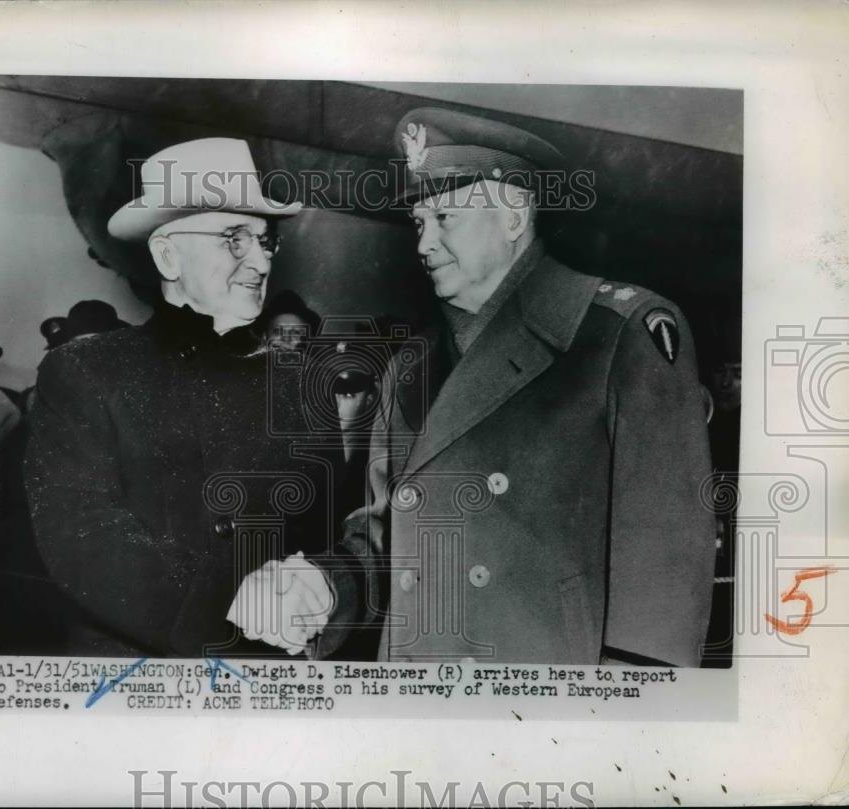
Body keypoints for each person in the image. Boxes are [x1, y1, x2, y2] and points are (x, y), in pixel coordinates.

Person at [234, 107, 717, 666]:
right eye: (418, 222)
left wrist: (615, 730)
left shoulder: (616, 334)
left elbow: (665, 568)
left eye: (444, 217)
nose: (423, 244)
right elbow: (385, 543)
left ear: (513, 215)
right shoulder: (409, 367)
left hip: (546, 708)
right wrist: (323, 587)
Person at [23, 137, 346, 658]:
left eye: (266, 241)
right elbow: (80, 535)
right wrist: (231, 606)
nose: (260, 263)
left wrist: (305, 602)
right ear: (167, 255)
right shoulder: (86, 372)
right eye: (233, 239)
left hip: (270, 667)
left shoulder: (305, 385)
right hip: (138, 678)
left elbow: (325, 533)